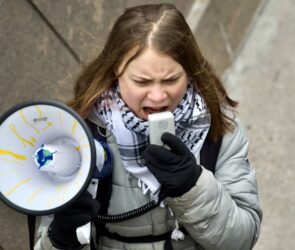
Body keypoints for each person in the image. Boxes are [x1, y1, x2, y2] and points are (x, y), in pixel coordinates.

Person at [35, 3, 262, 250]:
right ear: (115, 73)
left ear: (190, 71)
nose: (157, 97)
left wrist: (193, 187)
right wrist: (61, 238)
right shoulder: (79, 132)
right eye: (142, 81)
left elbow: (243, 239)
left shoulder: (218, 127)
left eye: (171, 80)